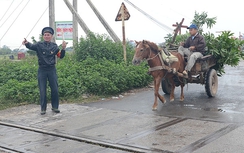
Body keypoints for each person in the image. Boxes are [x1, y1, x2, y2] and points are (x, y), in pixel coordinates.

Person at [22, 27, 66, 115]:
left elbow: (60, 56)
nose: (46, 36)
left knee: (55, 89)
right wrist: (26, 43)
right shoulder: (39, 45)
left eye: (48, 35)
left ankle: (55, 107)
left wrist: (64, 48)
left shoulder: (55, 46)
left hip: (51, 69)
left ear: (51, 36)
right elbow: (31, 46)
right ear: (43, 36)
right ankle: (43, 109)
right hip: (42, 70)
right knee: (42, 90)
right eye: (45, 35)